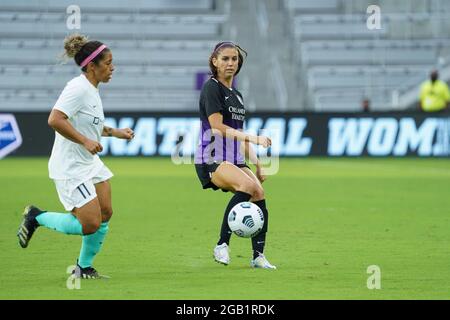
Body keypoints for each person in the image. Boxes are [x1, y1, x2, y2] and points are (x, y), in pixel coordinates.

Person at [17, 33, 135, 279]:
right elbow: (55, 119)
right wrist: (84, 141)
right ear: (92, 66)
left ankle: (83, 268)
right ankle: (36, 217)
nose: (113, 68)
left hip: (89, 162)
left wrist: (115, 132)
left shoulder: (92, 89)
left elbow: (89, 124)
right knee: (89, 223)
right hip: (70, 166)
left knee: (106, 212)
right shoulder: (77, 88)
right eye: (108, 62)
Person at [194, 41, 276, 269]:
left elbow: (237, 133)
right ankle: (222, 244)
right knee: (248, 188)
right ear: (215, 62)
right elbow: (217, 126)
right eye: (225, 59)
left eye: (234, 59)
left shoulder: (237, 95)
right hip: (212, 156)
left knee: (258, 192)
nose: (231, 63)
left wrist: (257, 163)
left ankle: (258, 256)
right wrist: (254, 138)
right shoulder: (212, 87)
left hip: (234, 157)